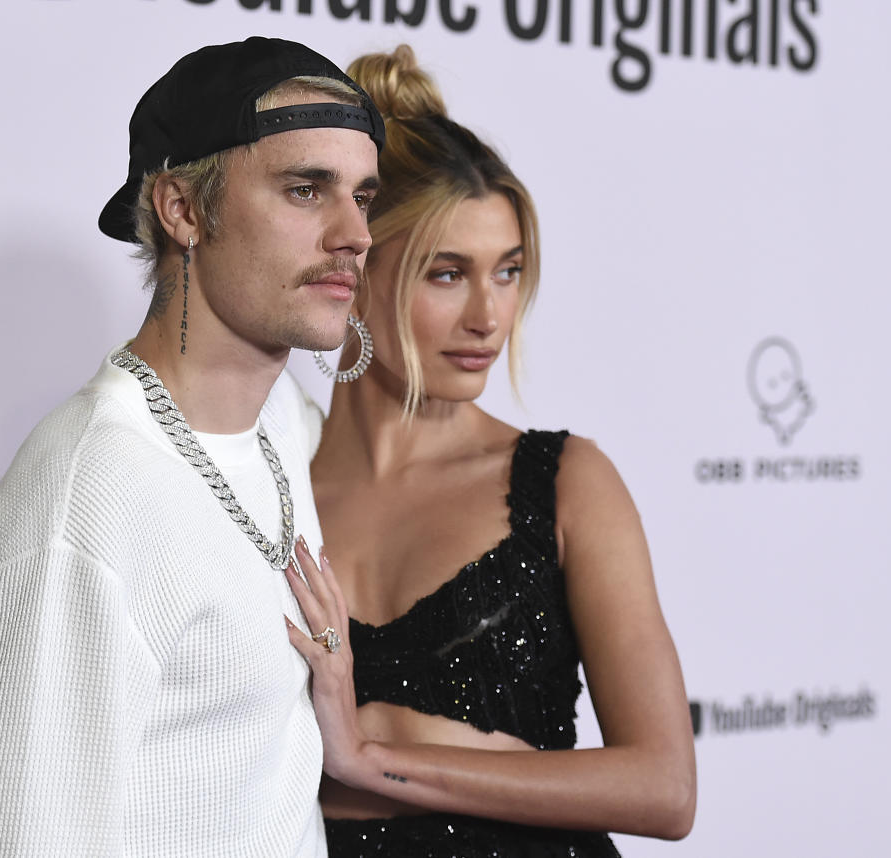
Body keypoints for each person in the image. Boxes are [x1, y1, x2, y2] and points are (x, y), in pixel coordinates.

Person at [0, 37, 383, 857]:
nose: (354, 233)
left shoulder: (282, 420)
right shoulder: (86, 497)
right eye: (305, 189)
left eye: (363, 196)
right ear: (181, 210)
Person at [283, 45, 697, 857]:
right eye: (447, 274)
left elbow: (663, 788)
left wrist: (370, 763)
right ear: (355, 270)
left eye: (507, 272)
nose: (489, 315)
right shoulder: (269, 485)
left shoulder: (564, 482)